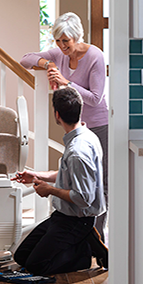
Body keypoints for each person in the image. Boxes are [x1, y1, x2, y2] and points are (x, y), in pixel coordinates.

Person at [20, 12, 109, 242]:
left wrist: (65, 82)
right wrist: (47, 62)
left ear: (77, 37)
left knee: (100, 183)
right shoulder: (58, 54)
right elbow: (26, 59)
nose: (61, 46)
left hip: (98, 125)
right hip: (74, 125)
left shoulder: (95, 56)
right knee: (73, 177)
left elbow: (96, 98)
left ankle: (96, 239)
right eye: (58, 41)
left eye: (65, 41)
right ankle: (76, 235)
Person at [12, 87, 108, 275]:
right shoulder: (86, 136)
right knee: (21, 256)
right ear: (80, 110)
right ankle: (84, 241)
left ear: (57, 115)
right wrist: (37, 176)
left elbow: (83, 198)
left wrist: (50, 190)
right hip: (63, 216)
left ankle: (84, 254)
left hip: (77, 220)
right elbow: (70, 175)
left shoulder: (77, 152)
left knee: (35, 266)